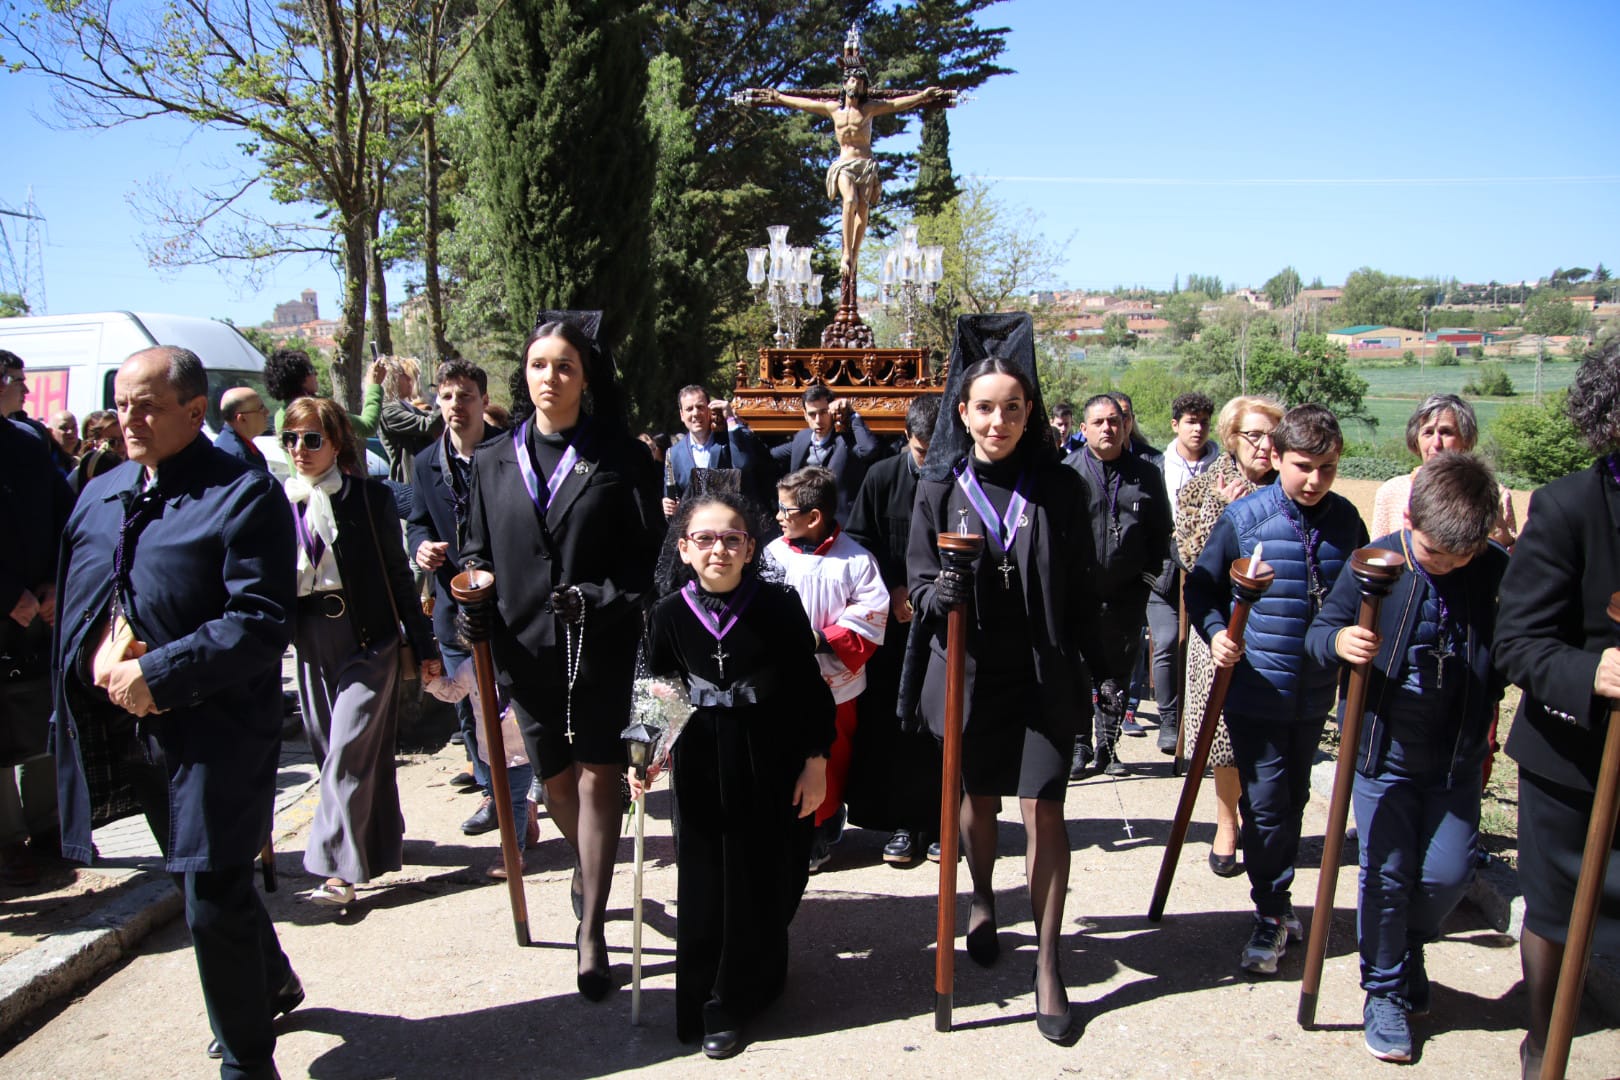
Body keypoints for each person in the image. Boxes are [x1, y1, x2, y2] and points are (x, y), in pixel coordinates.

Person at [52, 345, 302, 1078]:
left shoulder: (243, 496)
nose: (126, 419)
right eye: (120, 403)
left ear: (195, 412)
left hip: (219, 729)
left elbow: (258, 621)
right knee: (201, 875)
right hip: (132, 731)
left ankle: (247, 1063)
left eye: (146, 406)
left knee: (212, 896)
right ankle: (272, 980)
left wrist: (157, 673)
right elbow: (78, 587)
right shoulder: (102, 492)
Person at [460, 315, 663, 1002]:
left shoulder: (622, 457)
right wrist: (470, 593)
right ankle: (588, 863)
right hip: (524, 649)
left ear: (586, 377)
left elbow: (651, 560)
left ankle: (594, 928)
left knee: (600, 774)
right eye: (539, 364)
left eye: (565, 366)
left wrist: (602, 598)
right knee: (554, 779)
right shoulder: (491, 460)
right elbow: (475, 552)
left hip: (601, 645)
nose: (550, 377)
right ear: (525, 374)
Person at [908, 312, 1094, 1043]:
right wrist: (938, 595)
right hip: (967, 670)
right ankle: (982, 896)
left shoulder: (1060, 489)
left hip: (1042, 673)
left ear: (1029, 414)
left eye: (1012, 408)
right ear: (964, 411)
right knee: (977, 801)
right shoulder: (937, 487)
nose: (998, 420)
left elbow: (1080, 586)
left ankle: (1048, 961)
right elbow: (917, 579)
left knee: (1043, 807)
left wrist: (1099, 667)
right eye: (984, 408)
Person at [1304, 452, 1509, 1063]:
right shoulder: (1376, 564)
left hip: (1456, 755)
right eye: (1431, 551)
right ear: (1411, 519)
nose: (1442, 565)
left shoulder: (1494, 570)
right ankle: (1384, 990)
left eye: (1457, 558)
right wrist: (1340, 641)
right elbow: (1320, 633)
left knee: (1446, 875)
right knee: (1386, 875)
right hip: (1381, 751)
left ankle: (1410, 945)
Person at [636, 492, 834, 1058]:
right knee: (706, 882)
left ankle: (759, 978)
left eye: (731, 538)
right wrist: (645, 755)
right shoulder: (668, 613)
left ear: (750, 548)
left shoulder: (777, 605)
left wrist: (815, 761)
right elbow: (662, 689)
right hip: (700, 759)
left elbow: (806, 686)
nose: (717, 548)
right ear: (685, 548)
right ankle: (713, 1001)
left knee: (769, 873)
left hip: (770, 753)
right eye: (704, 538)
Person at [1185, 403, 1367, 976]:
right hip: (1256, 687)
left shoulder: (1347, 523)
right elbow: (1203, 588)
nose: (1314, 480)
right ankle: (1270, 910)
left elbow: (1361, 599)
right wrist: (1216, 635)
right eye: (1302, 466)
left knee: (1293, 801)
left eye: (1327, 468)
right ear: (1279, 459)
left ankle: (1279, 898)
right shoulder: (1246, 518)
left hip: (1315, 691)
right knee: (1264, 805)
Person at [1493, 341, 1620, 1078]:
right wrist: (1590, 672)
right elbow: (1519, 643)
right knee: (1554, 915)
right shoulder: (1571, 506)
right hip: (1573, 762)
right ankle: (1544, 1041)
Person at [281, 396, 440, 907]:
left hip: (368, 638)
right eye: (291, 439)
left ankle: (334, 872)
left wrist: (422, 642)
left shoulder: (368, 499)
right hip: (308, 640)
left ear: (337, 443)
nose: (300, 450)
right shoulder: (277, 502)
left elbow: (399, 575)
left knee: (348, 750)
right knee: (336, 751)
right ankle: (375, 845)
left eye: (312, 439)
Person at [1176, 394, 1284, 877]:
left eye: (1271, 437)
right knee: (1221, 735)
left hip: (1276, 627)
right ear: (1231, 439)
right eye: (1252, 436)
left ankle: (1261, 819)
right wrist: (1226, 511)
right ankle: (1225, 822)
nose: (1263, 447)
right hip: (1219, 625)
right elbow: (1191, 557)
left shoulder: (1294, 487)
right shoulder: (1202, 489)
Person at [763, 466, 887, 871]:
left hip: (835, 683)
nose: (778, 516)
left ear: (814, 517)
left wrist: (822, 638)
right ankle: (791, 826)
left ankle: (821, 827)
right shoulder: (772, 554)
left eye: (786, 509)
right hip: (780, 683)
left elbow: (871, 613)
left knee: (831, 758)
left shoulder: (855, 560)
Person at [407, 360, 508, 834]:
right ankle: (493, 794)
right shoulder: (426, 463)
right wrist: (420, 547)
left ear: (483, 401)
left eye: (465, 395)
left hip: (510, 604)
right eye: (446, 396)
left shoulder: (510, 451)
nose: (455, 405)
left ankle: (529, 788)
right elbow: (418, 521)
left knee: (515, 701)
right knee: (469, 708)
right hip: (453, 607)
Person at [845, 395, 941, 866]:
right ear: (907, 440)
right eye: (923, 452)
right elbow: (860, 542)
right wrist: (894, 587)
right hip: (895, 624)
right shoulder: (882, 476)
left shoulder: (959, 476)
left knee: (941, 724)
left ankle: (944, 821)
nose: (931, 461)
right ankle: (904, 822)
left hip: (945, 623)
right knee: (897, 724)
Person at [1062, 394, 1172, 778]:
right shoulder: (1067, 472)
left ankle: (1108, 747)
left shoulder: (1147, 474)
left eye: (1114, 421)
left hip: (1126, 595)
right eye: (1099, 423)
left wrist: (1150, 580)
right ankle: (1079, 745)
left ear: (1125, 425)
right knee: (1076, 672)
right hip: (1077, 595)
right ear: (1084, 429)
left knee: (1116, 673)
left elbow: (1162, 534)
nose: (1108, 428)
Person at [753, 69, 946, 282]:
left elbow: (897, 104)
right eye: (853, 80)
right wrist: (779, 97)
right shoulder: (833, 109)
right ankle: (845, 253)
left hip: (865, 165)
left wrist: (922, 96)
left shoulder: (869, 109)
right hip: (844, 164)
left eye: (861, 82)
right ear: (845, 84)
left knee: (863, 205)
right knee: (850, 200)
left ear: (864, 88)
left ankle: (854, 253)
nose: (856, 85)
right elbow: (803, 103)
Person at [0, 411, 74, 886]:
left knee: (45, 718)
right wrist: (6, 594)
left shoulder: (27, 444)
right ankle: (8, 840)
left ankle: (50, 826)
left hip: (38, 612)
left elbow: (63, 517)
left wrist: (52, 582)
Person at [1138, 391, 1218, 755]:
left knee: (1201, 645)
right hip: (1164, 571)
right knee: (1168, 641)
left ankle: (1198, 717)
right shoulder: (1156, 465)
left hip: (1209, 570)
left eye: (1203, 421)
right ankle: (1169, 719)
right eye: (1190, 421)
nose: (1198, 428)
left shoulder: (1223, 465)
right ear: (1175, 425)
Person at [1370, 393, 1516, 547]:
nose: (1436, 443)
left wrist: (1504, 539)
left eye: (1446, 432)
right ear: (1416, 440)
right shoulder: (1391, 492)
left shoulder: (1495, 495)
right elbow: (1376, 556)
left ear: (1466, 440)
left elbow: (1513, 564)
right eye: (1428, 432)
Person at [769, 385, 883, 524]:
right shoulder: (801, 438)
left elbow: (869, 450)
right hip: (805, 523)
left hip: (841, 524)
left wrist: (852, 414)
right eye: (812, 414)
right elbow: (769, 455)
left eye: (823, 412)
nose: (818, 420)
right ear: (805, 415)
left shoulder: (845, 440)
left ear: (832, 412)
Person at [662, 385, 770, 517]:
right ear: (682, 415)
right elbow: (674, 499)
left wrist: (730, 418)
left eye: (700, 407)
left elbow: (743, 466)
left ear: (709, 410)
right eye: (689, 409)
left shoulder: (729, 440)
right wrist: (670, 507)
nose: (695, 413)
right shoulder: (673, 454)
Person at [263, 346, 385, 437]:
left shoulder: (280, 415)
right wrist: (374, 385)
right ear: (299, 378)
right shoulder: (319, 411)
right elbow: (367, 427)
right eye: (311, 369)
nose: (316, 373)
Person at [377, 355, 442, 483]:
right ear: (391, 379)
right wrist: (446, 400)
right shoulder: (388, 411)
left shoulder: (403, 406)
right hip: (408, 484)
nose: (408, 379)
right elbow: (428, 424)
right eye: (403, 374)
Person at [214, 387, 270, 472]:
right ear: (242, 418)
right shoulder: (238, 457)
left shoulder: (231, 443)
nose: (267, 412)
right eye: (261, 408)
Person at [70, 410, 125, 494]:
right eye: (112, 442)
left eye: (123, 439)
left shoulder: (132, 473)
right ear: (91, 444)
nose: (122, 447)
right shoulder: (76, 479)